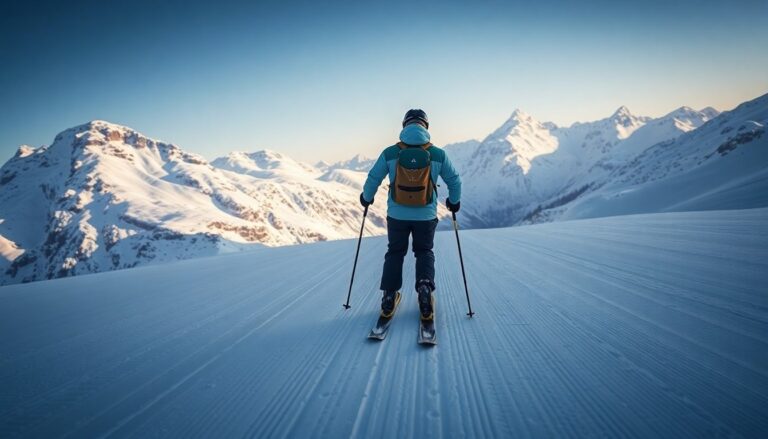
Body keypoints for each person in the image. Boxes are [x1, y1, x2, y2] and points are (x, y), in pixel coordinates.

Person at [360, 109, 462, 321]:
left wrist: (366, 198)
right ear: (425, 126)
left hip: (397, 214)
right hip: (425, 216)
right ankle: (424, 290)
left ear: (405, 125)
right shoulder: (437, 154)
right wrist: (453, 201)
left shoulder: (390, 152)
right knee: (424, 251)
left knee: (395, 252)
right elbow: (455, 180)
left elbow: (373, 178)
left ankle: (389, 296)